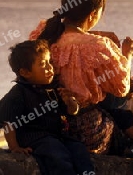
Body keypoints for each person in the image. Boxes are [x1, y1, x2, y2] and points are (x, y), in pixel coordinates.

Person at [29, 0, 133, 155]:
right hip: (85, 132)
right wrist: (127, 54)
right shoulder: (98, 45)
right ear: (93, 14)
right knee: (119, 99)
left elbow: (70, 36)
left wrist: (93, 34)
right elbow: (122, 87)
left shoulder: (43, 31)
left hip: (46, 124)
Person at [0, 39, 95, 174]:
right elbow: (8, 121)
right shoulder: (19, 92)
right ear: (25, 73)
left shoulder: (54, 89)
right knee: (56, 154)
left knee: (79, 150)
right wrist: (14, 147)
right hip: (35, 137)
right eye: (42, 64)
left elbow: (72, 112)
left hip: (58, 135)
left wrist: (70, 102)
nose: (49, 67)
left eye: (49, 62)